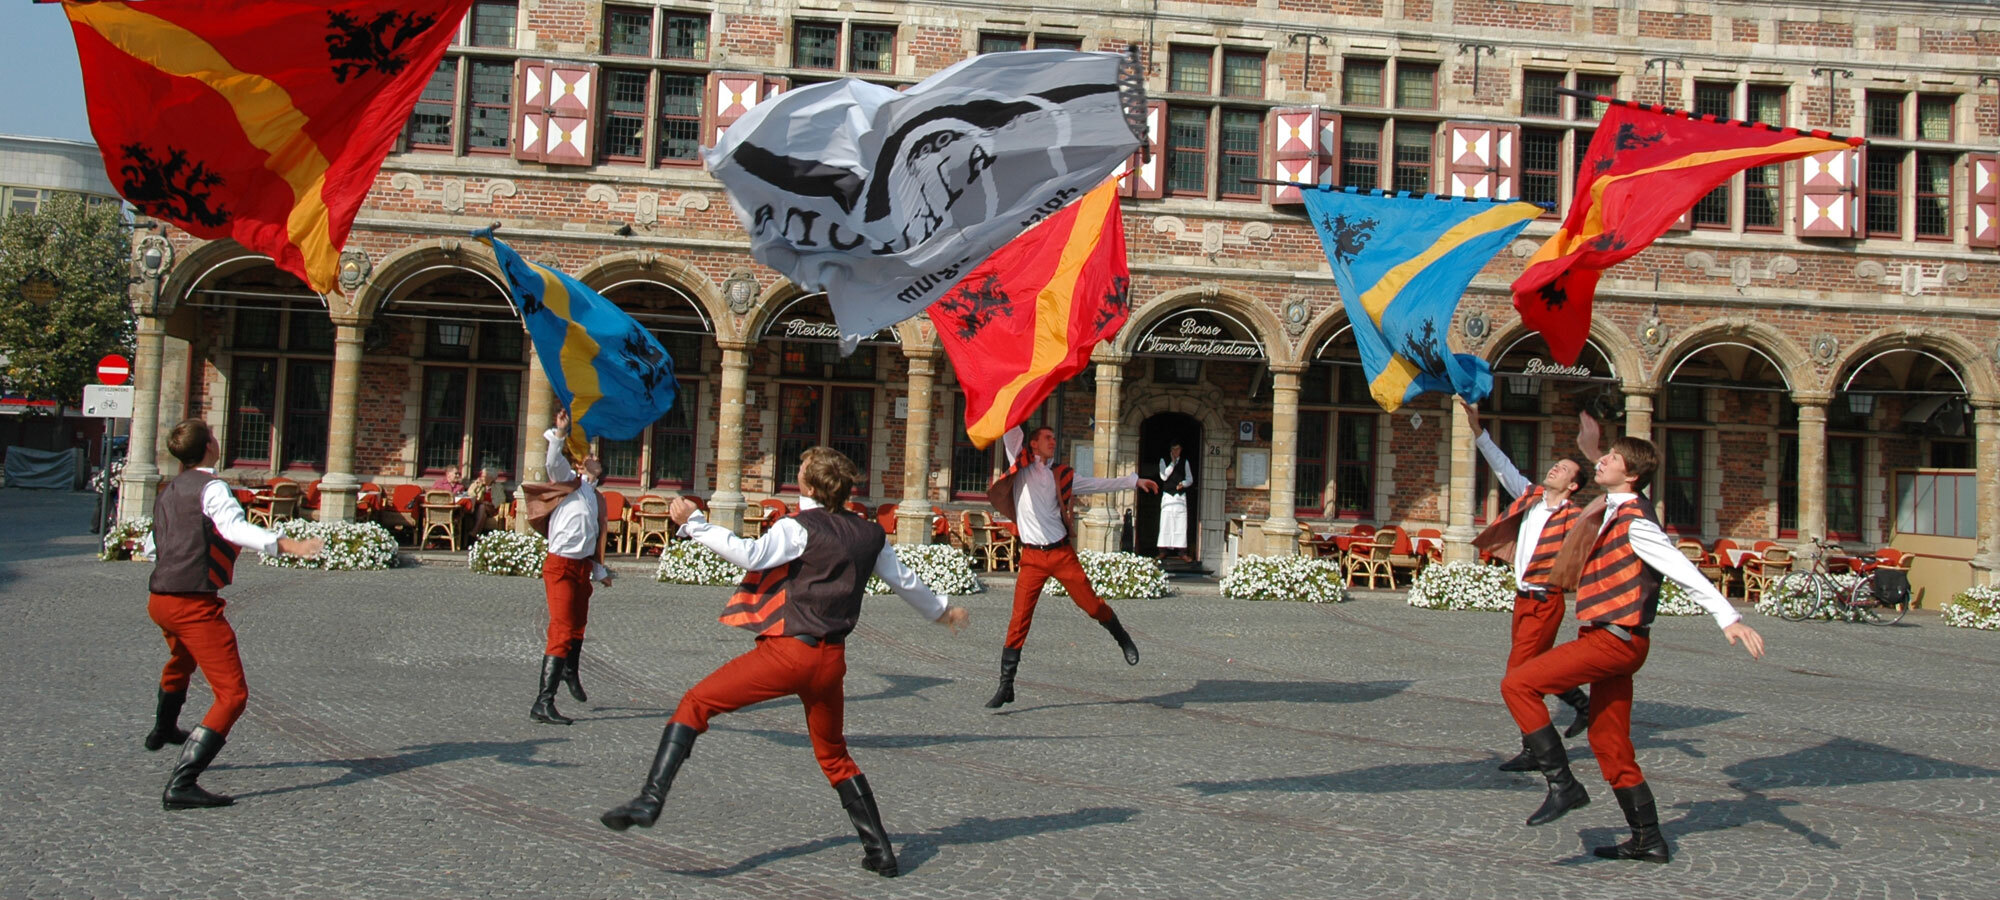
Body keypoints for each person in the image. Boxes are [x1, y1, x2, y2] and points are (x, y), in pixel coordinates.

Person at [600, 447, 969, 878]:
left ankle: (650, 798)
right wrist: (942, 612)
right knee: (834, 755)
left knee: (696, 703)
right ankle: (880, 851)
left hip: (789, 654)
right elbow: (904, 581)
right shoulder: (870, 534)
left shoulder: (799, 527)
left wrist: (695, 523)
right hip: (831, 661)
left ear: (809, 485)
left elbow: (751, 554)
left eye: (801, 472)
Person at [1502, 433, 1766, 864]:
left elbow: (1680, 568)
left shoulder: (1637, 523)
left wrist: (1728, 616)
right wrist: (1595, 444)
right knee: (1608, 739)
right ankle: (1648, 839)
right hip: (1612, 638)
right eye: (1604, 455)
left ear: (1632, 475)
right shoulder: (1615, 505)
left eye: (1612, 458)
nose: (1602, 461)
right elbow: (1606, 470)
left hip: (1614, 640)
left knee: (1518, 684)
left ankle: (1563, 785)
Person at [144, 418, 324, 809]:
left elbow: (151, 544)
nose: (216, 438)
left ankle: (164, 728)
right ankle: (182, 784)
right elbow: (234, 528)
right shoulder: (211, 488)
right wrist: (290, 545)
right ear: (209, 446)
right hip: (192, 603)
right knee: (232, 695)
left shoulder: (169, 489)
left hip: (160, 599)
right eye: (212, 434)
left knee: (181, 660)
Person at [983, 423, 1159, 709]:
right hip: (1032, 558)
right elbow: (1010, 428)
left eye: (1054, 437)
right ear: (1034, 443)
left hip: (1061, 554)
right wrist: (1009, 403)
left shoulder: (1061, 475)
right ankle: (1006, 685)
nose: (1053, 442)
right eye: (1047, 438)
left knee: (1092, 606)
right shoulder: (1020, 466)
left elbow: (1096, 484)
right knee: (1019, 619)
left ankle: (1122, 637)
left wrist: (1132, 481)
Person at [1465, 399, 1593, 768]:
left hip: (1544, 601)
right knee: (1534, 669)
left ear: (1572, 485)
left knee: (1517, 679)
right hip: (1522, 600)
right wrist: (1477, 429)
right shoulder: (1531, 498)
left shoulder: (1575, 517)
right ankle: (1580, 705)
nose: (1555, 468)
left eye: (1563, 469)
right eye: (1556, 464)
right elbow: (1502, 466)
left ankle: (1540, 751)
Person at [520, 407, 612, 725]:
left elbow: (594, 536)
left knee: (578, 624)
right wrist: (560, 433)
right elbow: (551, 462)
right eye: (590, 455)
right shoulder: (567, 481)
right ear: (579, 463)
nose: (595, 457)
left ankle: (570, 671)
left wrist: (599, 570)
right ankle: (543, 702)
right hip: (560, 565)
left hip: (581, 567)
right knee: (561, 629)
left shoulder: (594, 496)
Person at [1155, 443, 1194, 562]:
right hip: (1168, 497)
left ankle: (1182, 552)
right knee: (1166, 523)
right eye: (1175, 449)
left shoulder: (1185, 462)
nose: (1177, 452)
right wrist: (1172, 463)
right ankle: (1162, 551)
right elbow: (1163, 476)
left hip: (1180, 497)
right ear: (1171, 450)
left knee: (1180, 525)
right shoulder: (1163, 460)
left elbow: (1190, 479)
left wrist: (1183, 484)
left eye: (1179, 449)